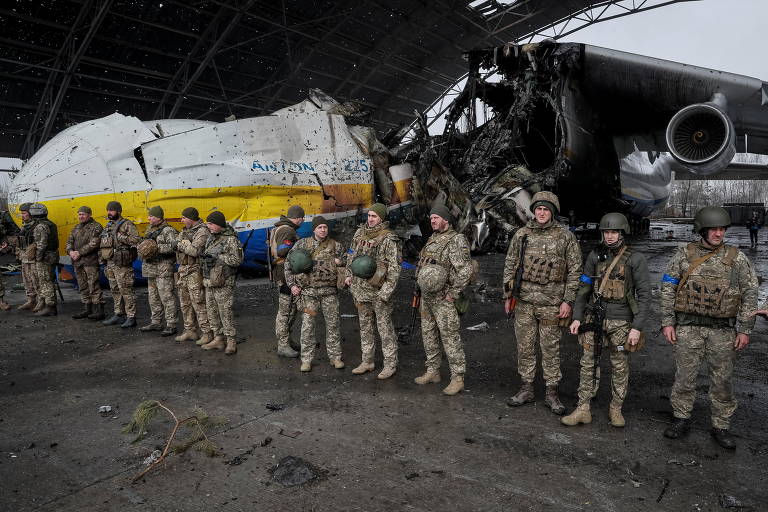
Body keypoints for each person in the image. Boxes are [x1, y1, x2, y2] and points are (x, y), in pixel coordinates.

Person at [661, 206, 757, 449]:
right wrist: (667, 322)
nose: (718, 233)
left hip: (722, 332)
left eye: (722, 229)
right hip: (688, 329)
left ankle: (721, 425)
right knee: (684, 378)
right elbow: (668, 288)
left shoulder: (737, 258)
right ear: (702, 230)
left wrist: (745, 329)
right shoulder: (684, 254)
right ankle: (681, 418)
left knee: (722, 381)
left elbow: (750, 294)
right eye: (713, 229)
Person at [562, 213, 651, 428]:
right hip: (595, 318)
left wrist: (637, 327)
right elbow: (584, 289)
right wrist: (577, 317)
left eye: (614, 232)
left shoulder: (635, 259)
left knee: (619, 365)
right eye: (606, 232)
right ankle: (583, 408)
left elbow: (645, 295)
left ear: (622, 233)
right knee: (588, 363)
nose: (609, 236)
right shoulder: (594, 256)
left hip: (621, 321)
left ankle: (616, 408)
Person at [503, 191, 581, 414]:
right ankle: (526, 388)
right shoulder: (522, 235)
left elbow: (575, 270)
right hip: (525, 302)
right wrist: (507, 296)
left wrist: (568, 301)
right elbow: (510, 265)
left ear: (552, 212)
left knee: (550, 349)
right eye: (538, 209)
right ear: (534, 210)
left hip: (552, 304)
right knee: (525, 347)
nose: (542, 213)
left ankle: (552, 392)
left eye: (546, 209)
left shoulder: (565, 237)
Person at [413, 204, 473, 396]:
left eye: (436, 218)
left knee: (450, 337)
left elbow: (465, 270)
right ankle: (433, 371)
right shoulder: (433, 238)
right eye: (431, 218)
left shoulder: (456, 240)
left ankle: (458, 378)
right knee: (428, 334)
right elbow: (424, 265)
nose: (432, 221)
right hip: (427, 297)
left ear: (446, 220)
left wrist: (453, 294)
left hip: (443, 298)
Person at [345, 203, 401, 379]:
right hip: (360, 290)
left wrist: (386, 293)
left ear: (382, 218)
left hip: (378, 291)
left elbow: (394, 269)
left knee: (385, 328)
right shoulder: (359, 234)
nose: (370, 219)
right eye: (369, 215)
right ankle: (367, 361)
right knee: (365, 327)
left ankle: (390, 364)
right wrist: (348, 274)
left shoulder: (389, 239)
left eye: (374, 216)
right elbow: (351, 256)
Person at [284, 216, 345, 372]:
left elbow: (348, 263)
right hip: (309, 294)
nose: (323, 230)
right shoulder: (303, 244)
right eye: (320, 227)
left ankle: (335, 357)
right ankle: (306, 360)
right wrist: (292, 285)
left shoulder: (336, 246)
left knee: (333, 325)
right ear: (314, 229)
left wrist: (341, 263)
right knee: (307, 326)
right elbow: (289, 263)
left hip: (330, 293)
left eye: (325, 227)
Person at [199, 211, 243, 355]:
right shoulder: (211, 238)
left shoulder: (231, 240)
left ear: (219, 224)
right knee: (212, 312)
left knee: (225, 312)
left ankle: (231, 340)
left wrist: (218, 256)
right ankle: (218, 338)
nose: (208, 226)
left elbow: (237, 260)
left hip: (224, 282)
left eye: (211, 224)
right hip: (210, 281)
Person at [138, 206, 179, 336]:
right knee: (153, 297)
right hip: (150, 269)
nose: (148, 218)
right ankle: (156, 322)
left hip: (163, 268)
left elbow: (175, 247)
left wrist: (156, 248)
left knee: (166, 297)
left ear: (158, 217)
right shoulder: (150, 229)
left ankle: (171, 324)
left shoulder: (168, 230)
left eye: (151, 216)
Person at [270, 205, 305, 358]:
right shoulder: (288, 230)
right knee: (286, 311)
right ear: (298, 218)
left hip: (283, 273)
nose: (303, 221)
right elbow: (282, 251)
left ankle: (287, 340)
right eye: (302, 218)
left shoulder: (280, 227)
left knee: (291, 310)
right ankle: (283, 345)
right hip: (285, 275)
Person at [174, 207, 212, 345]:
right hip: (184, 270)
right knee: (185, 303)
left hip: (195, 271)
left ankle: (207, 333)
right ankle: (190, 330)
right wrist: (178, 244)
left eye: (184, 218)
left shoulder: (202, 231)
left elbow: (195, 251)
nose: (182, 220)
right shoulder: (185, 231)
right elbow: (176, 244)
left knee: (198, 303)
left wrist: (179, 245)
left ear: (191, 218)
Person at [100, 201, 140, 328]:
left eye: (112, 210)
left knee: (126, 290)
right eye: (108, 210)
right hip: (110, 262)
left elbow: (136, 240)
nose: (109, 212)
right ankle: (118, 314)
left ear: (118, 211)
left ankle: (131, 316)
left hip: (122, 263)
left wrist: (120, 237)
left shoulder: (127, 224)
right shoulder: (108, 225)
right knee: (115, 289)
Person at [66, 206, 105, 320]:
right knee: (82, 286)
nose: (80, 216)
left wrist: (79, 252)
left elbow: (94, 243)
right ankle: (87, 308)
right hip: (77, 262)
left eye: (83, 214)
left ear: (89, 214)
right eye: (79, 214)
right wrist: (70, 251)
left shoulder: (96, 227)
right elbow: (69, 242)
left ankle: (99, 310)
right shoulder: (76, 227)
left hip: (90, 262)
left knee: (93, 285)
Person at [29, 203, 59, 316]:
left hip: (45, 258)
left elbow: (41, 245)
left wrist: (38, 258)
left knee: (45, 282)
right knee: (49, 280)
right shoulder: (51, 224)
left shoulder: (40, 226)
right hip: (52, 256)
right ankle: (50, 305)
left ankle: (50, 307)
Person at [15, 203, 40, 311]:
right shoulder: (24, 226)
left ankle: (41, 301)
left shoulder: (37, 226)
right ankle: (31, 300)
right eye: (22, 213)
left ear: (31, 213)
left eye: (24, 213)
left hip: (33, 258)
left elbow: (40, 243)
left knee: (36, 280)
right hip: (24, 257)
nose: (22, 215)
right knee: (27, 281)